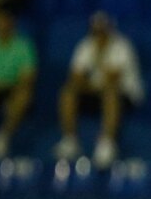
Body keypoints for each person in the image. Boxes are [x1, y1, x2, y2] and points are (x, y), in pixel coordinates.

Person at [55, 10, 145, 168]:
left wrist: (97, 58)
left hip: (126, 95)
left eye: (102, 30)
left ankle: (106, 144)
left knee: (110, 93)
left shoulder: (121, 46)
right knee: (68, 91)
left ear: (109, 29)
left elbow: (112, 79)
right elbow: (75, 77)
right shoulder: (85, 45)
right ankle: (70, 141)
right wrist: (86, 83)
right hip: (95, 92)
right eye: (96, 31)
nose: (99, 35)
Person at [0, 5, 37, 160]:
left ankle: (3, 137)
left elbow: (27, 79)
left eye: (6, 21)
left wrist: (1, 85)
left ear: (12, 23)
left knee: (24, 94)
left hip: (11, 91)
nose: (3, 25)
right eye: (0, 21)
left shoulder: (23, 47)